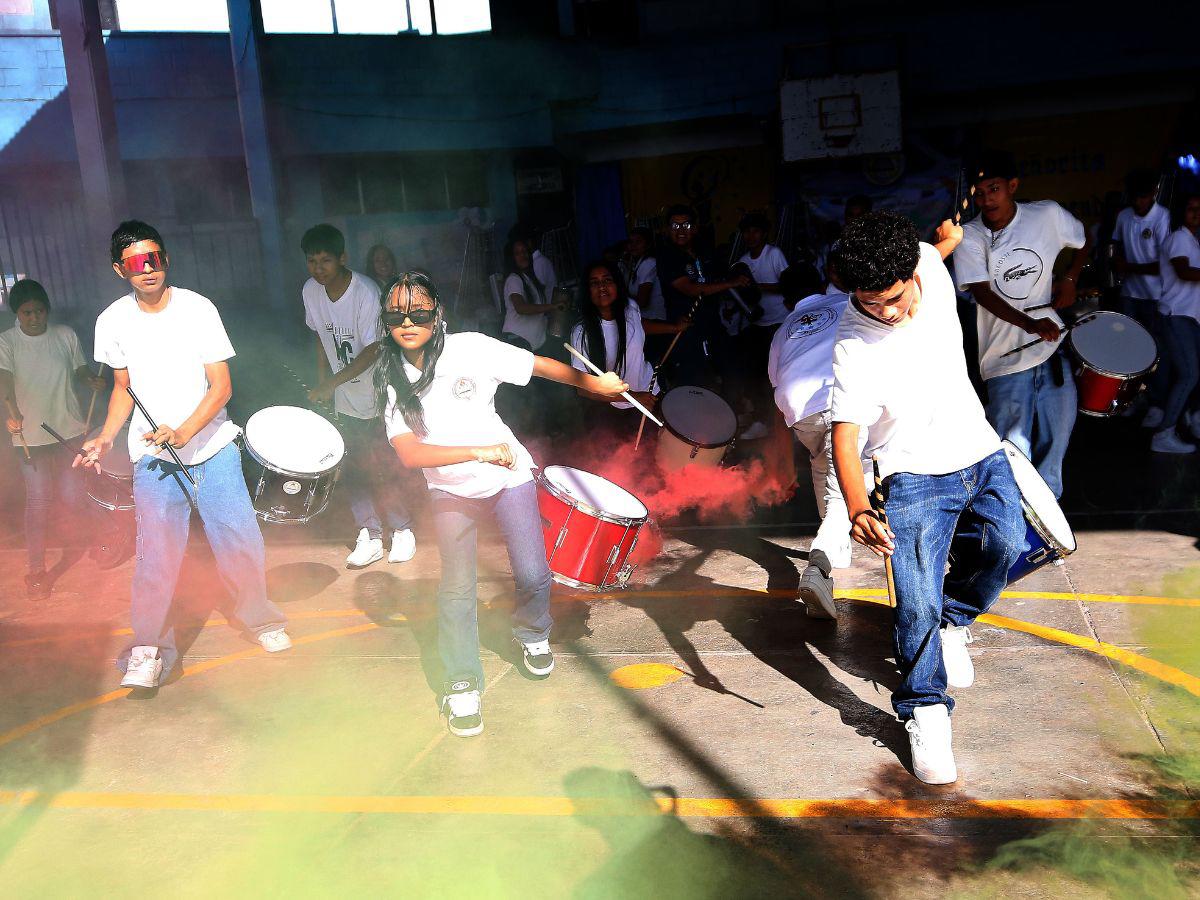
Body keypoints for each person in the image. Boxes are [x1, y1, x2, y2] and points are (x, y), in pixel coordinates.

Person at [379, 271, 628, 737]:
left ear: (438, 312)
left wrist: (591, 386)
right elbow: (412, 455)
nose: (407, 321)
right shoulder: (392, 379)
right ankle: (462, 684)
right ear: (385, 320)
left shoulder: (471, 347)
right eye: (396, 314)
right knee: (457, 588)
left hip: (508, 472)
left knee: (534, 573)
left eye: (418, 312)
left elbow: (538, 365)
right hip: (450, 488)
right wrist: (478, 451)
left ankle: (532, 632)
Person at [830, 211, 1025, 785]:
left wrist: (953, 239)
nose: (884, 311)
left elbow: (937, 250)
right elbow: (845, 434)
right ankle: (926, 710)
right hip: (912, 473)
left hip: (980, 449)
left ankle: (956, 619)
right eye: (870, 301)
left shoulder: (927, 266)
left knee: (1005, 547)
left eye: (892, 297)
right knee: (914, 598)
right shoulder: (853, 342)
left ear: (912, 273)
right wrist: (861, 505)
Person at [77, 220, 291, 689]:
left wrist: (186, 430)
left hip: (212, 447)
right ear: (120, 270)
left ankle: (261, 618)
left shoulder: (198, 309)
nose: (147, 269)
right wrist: (106, 437)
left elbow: (222, 386)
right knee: (156, 556)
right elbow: (122, 390)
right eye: (135, 263)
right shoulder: (112, 320)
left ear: (166, 259)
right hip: (152, 455)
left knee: (239, 539)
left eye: (153, 258)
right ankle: (150, 648)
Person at [772, 226, 965, 621]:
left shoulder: (786, 326)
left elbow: (776, 378)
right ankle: (820, 568)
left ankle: (829, 556)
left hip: (799, 410)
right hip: (839, 400)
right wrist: (952, 241)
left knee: (830, 481)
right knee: (843, 493)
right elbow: (918, 265)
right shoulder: (855, 307)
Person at [954, 150, 1089, 499]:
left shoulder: (1047, 215)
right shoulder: (969, 236)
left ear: (1013, 186)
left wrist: (1070, 278)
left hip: (1052, 349)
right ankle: (1012, 524)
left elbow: (1083, 240)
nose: (987, 200)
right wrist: (1029, 323)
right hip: (1004, 359)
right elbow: (981, 293)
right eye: (980, 193)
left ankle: (1046, 527)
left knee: (1056, 443)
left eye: (994, 189)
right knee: (1012, 450)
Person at [301, 224, 416, 569]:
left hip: (379, 388)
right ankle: (368, 534)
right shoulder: (310, 291)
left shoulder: (365, 292)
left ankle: (402, 529)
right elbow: (320, 338)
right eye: (312, 261)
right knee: (351, 466)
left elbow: (373, 351)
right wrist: (324, 386)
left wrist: (331, 383)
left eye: (326, 260)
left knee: (380, 464)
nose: (319, 268)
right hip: (342, 393)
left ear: (343, 258)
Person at [0, 279, 109, 598]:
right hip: (29, 437)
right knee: (38, 501)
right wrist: (11, 411)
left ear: (47, 309)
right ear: (16, 314)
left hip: (70, 430)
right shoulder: (7, 343)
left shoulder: (65, 335)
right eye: (27, 312)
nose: (34, 317)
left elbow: (79, 370)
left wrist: (90, 380)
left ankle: (103, 543)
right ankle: (36, 571)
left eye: (39, 310)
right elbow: (4, 381)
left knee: (75, 495)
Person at [569, 260, 674, 436]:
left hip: (649, 393)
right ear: (587, 291)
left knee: (654, 451)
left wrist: (673, 328)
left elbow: (640, 327)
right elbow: (582, 388)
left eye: (607, 280)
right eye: (594, 283)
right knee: (624, 457)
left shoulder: (631, 307)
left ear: (617, 284)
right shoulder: (581, 333)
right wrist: (633, 396)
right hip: (614, 406)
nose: (601, 286)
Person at [655, 204, 749, 388]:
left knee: (730, 368)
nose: (681, 230)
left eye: (686, 225)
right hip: (686, 326)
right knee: (696, 378)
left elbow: (719, 274)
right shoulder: (667, 257)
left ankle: (739, 409)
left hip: (712, 322)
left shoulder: (703, 252)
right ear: (667, 230)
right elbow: (690, 289)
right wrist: (731, 283)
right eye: (675, 226)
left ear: (695, 228)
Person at [1112, 169, 1172, 427]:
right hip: (1130, 294)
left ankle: (1159, 403)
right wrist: (1116, 262)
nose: (1140, 203)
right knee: (1131, 350)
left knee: (1157, 352)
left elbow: (1167, 262)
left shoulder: (1163, 217)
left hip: (1156, 295)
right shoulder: (1124, 216)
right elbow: (1115, 246)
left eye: (1144, 197)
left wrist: (1130, 267)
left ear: (1152, 195)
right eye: (1136, 197)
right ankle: (1137, 399)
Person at [736, 212, 791, 439]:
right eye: (747, 231)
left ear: (764, 233)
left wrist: (757, 288)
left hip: (779, 322)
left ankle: (782, 421)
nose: (751, 235)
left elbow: (789, 285)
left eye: (755, 230)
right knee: (759, 374)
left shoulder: (774, 253)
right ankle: (762, 420)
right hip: (757, 323)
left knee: (781, 375)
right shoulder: (744, 261)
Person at [1153, 194, 1200, 452]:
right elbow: (1183, 271)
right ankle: (1163, 434)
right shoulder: (1179, 237)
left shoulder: (1192, 240)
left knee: (1194, 373)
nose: (1196, 212)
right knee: (1189, 374)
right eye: (1191, 208)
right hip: (1176, 315)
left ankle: (1193, 419)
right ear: (1181, 212)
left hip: (1189, 316)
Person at [501, 237, 560, 352]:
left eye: (524, 251)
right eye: (517, 253)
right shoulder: (514, 279)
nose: (523, 255)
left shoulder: (528, 279)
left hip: (529, 344)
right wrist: (552, 306)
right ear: (512, 258)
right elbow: (521, 308)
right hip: (517, 342)